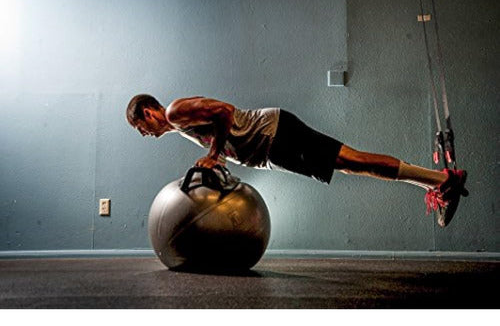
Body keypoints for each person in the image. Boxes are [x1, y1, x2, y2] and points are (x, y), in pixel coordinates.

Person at [126, 94, 468, 228]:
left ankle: (441, 181)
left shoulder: (175, 112)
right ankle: (438, 181)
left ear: (148, 112)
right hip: (272, 147)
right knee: (351, 163)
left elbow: (223, 111)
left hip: (274, 134)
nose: (143, 134)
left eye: (139, 127)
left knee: (353, 161)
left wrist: (214, 154)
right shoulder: (179, 126)